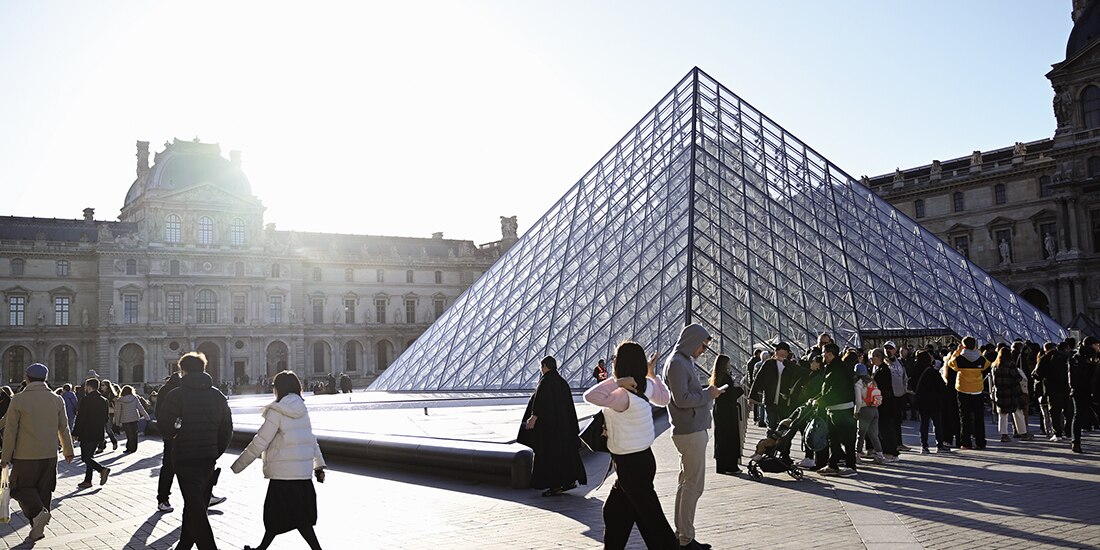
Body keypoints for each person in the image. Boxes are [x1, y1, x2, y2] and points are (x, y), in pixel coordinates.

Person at [584, 340, 678, 550]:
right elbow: (664, 399)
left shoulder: (621, 395)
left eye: (615, 358)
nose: (613, 361)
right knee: (615, 513)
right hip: (642, 460)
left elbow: (590, 396)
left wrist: (617, 382)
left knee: (653, 522)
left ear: (621, 363)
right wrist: (651, 373)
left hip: (630, 465)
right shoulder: (646, 386)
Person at [232, 370, 327, 550]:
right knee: (293, 517)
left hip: (283, 475)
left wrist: (238, 466)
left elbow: (260, 440)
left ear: (279, 388)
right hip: (302, 474)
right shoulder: (302, 408)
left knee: (281, 516)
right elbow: (311, 439)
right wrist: (318, 466)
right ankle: (262, 548)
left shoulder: (277, 411)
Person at [158, 352, 234, 550]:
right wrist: (215, 451)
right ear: (204, 369)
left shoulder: (176, 395)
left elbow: (165, 428)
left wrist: (176, 435)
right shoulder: (218, 396)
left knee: (195, 508)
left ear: (182, 371)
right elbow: (227, 429)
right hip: (208, 460)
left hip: (184, 458)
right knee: (194, 505)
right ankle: (183, 546)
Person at [0, 363, 75, 543]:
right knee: (44, 491)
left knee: (19, 488)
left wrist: (5, 457)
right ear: (46, 378)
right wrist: (68, 450)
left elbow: (10, 431)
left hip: (25, 455)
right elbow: (64, 428)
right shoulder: (57, 399)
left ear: (26, 377)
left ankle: (38, 515)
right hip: (49, 454)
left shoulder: (19, 399)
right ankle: (37, 530)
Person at [664, 323, 722, 550]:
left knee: (686, 484)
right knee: (693, 486)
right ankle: (685, 540)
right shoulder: (678, 363)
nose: (704, 351)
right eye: (703, 346)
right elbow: (682, 399)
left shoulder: (683, 360)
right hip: (689, 431)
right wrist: (709, 394)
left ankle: (683, 535)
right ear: (692, 341)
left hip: (691, 429)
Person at [518, 356, 587, 497]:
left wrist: (532, 418)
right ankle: (569, 481)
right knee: (565, 455)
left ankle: (554, 486)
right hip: (564, 428)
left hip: (549, 430)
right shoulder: (562, 382)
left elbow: (540, 403)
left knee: (550, 457)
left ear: (544, 366)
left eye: (540, 367)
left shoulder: (545, 381)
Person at [748, 342, 804, 461]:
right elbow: (758, 379)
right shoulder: (769, 363)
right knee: (771, 428)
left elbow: (802, 373)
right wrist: (751, 397)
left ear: (787, 352)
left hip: (786, 403)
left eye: (779, 349)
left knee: (785, 430)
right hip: (770, 401)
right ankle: (770, 453)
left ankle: (784, 454)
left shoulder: (791, 365)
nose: (777, 351)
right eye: (776, 349)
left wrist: (786, 363)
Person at [815, 344, 857, 476]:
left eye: (823, 353)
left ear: (829, 354)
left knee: (847, 438)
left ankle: (851, 466)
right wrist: (818, 398)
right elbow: (827, 389)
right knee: (833, 439)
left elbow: (835, 390)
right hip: (834, 408)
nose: (822, 355)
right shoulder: (833, 367)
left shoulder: (838, 368)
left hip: (842, 409)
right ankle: (832, 464)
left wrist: (821, 400)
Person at [946, 337, 992, 450]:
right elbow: (986, 365)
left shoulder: (959, 359)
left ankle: (965, 442)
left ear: (963, 345)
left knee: (964, 417)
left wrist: (957, 351)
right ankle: (980, 442)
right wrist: (977, 351)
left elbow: (950, 364)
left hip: (963, 389)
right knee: (979, 418)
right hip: (977, 389)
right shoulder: (981, 359)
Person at [709, 354, 746, 475]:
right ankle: (731, 466)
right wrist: (740, 390)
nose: (730, 365)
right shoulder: (726, 377)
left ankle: (721, 465)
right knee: (731, 437)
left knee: (721, 437)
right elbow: (730, 394)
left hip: (719, 410)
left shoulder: (716, 377)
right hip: (728, 411)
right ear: (724, 364)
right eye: (728, 363)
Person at [72, 378, 110, 489]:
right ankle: (88, 480)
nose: (85, 389)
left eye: (85, 387)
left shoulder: (86, 400)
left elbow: (81, 418)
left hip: (87, 432)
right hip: (98, 432)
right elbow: (106, 418)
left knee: (85, 457)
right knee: (90, 456)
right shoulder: (104, 400)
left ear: (89, 387)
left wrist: (75, 432)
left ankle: (102, 469)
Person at [991, 347, 1034, 443]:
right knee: (1018, 413)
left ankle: (1004, 435)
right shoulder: (1010, 365)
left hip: (1001, 392)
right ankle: (1023, 433)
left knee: (1002, 414)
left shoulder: (995, 366)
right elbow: (1017, 378)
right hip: (1013, 392)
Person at [911, 350, 950, 453]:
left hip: (921, 401)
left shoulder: (915, 371)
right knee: (937, 423)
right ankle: (939, 445)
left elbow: (911, 385)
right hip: (934, 401)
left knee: (924, 424)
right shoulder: (933, 372)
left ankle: (924, 446)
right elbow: (941, 386)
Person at [1035, 342, 1071, 442]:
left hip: (1052, 389)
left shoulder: (1045, 358)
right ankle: (1068, 432)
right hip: (1066, 388)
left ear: (1046, 349)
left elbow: (1038, 373)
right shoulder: (1066, 356)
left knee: (1055, 412)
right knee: (1068, 412)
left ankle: (1057, 434)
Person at [1069, 336, 1099, 453]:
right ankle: (1075, 442)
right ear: (1090, 346)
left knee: (1078, 416)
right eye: (1096, 345)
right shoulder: (1079, 359)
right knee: (1078, 416)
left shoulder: (1077, 357)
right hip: (1085, 391)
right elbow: (1076, 378)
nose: (1098, 347)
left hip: (1082, 391)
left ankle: (1075, 442)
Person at [853, 358, 885, 464]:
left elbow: (858, 400)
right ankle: (880, 455)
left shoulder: (858, 383)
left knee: (861, 434)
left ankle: (857, 455)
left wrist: (856, 411)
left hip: (864, 409)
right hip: (875, 409)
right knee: (873, 434)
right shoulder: (872, 382)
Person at [114, 385, 151, 453]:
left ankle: (129, 448)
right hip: (134, 418)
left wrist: (117, 422)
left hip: (125, 419)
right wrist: (147, 417)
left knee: (129, 434)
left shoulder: (120, 400)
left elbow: (118, 412)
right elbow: (140, 408)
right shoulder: (135, 398)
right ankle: (133, 448)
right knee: (134, 433)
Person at [97, 379, 119, 453]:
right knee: (100, 430)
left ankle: (114, 441)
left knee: (108, 430)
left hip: (109, 414)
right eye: (101, 385)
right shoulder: (100, 393)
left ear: (107, 386)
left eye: (103, 385)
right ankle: (101, 446)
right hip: (101, 413)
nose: (101, 386)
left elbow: (116, 405)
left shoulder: (112, 394)